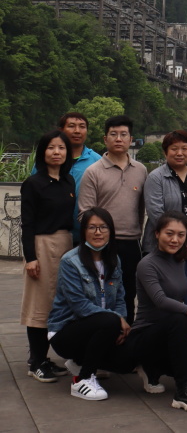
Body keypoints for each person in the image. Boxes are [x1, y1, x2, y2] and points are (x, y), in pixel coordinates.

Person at [128, 213, 187, 413]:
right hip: (145, 336)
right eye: (169, 233)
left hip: (169, 332)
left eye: (181, 235)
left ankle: (154, 368)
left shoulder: (179, 260)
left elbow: (176, 303)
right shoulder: (147, 264)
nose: (175, 240)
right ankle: (183, 391)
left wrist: (181, 334)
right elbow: (161, 301)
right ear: (157, 234)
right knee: (179, 319)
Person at [48, 208, 134, 401]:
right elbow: (79, 305)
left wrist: (121, 320)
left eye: (103, 227)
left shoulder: (114, 260)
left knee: (128, 361)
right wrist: (116, 319)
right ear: (83, 231)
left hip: (102, 328)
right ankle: (83, 379)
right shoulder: (70, 261)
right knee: (109, 321)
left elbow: (120, 298)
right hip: (66, 331)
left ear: (110, 231)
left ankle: (80, 361)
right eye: (92, 227)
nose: (98, 232)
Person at [78, 115, 146, 323]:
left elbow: (142, 209)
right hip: (103, 246)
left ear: (131, 139)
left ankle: (127, 337)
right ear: (105, 139)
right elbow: (84, 214)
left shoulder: (141, 170)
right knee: (101, 295)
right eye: (113, 134)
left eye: (123, 134)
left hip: (132, 243)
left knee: (129, 295)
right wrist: (98, 238)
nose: (118, 139)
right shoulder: (93, 172)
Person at [21, 130, 76, 382]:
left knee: (59, 303)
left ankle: (47, 359)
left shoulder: (68, 181)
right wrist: (31, 257)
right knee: (39, 305)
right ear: (43, 152)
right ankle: (36, 362)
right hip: (42, 246)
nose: (57, 152)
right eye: (51, 148)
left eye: (61, 148)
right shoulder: (34, 183)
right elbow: (27, 224)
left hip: (65, 244)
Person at [143, 130, 187, 319]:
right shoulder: (156, 178)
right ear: (165, 152)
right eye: (174, 149)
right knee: (162, 302)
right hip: (162, 251)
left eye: (184, 148)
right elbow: (156, 214)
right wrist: (176, 241)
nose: (180, 153)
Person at [30, 112, 101, 244]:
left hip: (87, 236)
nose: (77, 131)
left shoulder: (97, 161)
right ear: (61, 130)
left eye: (82, 126)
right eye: (71, 126)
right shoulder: (45, 162)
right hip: (50, 236)